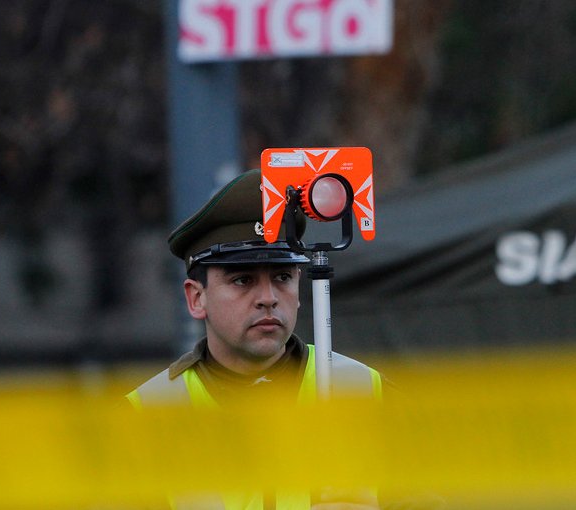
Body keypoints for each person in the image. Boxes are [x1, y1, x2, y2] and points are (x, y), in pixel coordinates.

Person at [126, 169, 384, 510]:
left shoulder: (363, 391)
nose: (268, 297)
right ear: (196, 298)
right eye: (243, 280)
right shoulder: (147, 415)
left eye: (281, 277)